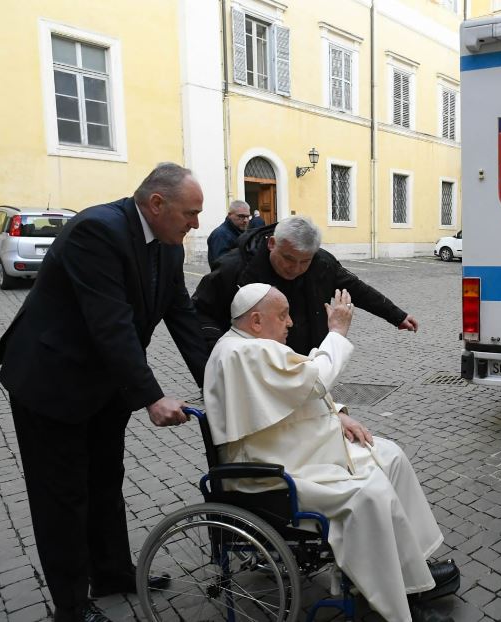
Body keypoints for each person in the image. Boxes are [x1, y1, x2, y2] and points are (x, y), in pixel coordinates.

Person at [0, 163, 211, 622]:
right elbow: (110, 323)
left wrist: (216, 382)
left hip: (104, 383)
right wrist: (152, 396)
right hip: (51, 381)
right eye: (190, 213)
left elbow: (182, 317)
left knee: (105, 482)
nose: (196, 224)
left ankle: (113, 572)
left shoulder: (168, 245)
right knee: (63, 497)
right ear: (157, 204)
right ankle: (72, 607)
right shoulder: (96, 230)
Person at [204, 283, 458, 622]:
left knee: (389, 454)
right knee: (369, 494)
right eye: (283, 315)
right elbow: (314, 379)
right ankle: (401, 599)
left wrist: (337, 414)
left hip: (292, 447)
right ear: (255, 320)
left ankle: (411, 568)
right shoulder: (244, 352)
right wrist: (337, 331)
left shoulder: (249, 346)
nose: (290, 323)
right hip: (271, 470)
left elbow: (295, 392)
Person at [193, 216, 419, 354]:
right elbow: (200, 311)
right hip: (258, 368)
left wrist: (396, 315)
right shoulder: (234, 268)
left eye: (304, 262)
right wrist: (216, 351)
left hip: (307, 359)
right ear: (272, 244)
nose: (296, 268)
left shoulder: (322, 263)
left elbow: (356, 288)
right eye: (289, 259)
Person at [206, 199, 250, 269]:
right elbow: (221, 265)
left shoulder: (239, 231)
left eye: (247, 217)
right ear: (230, 215)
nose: (245, 220)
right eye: (241, 216)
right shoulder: (220, 235)